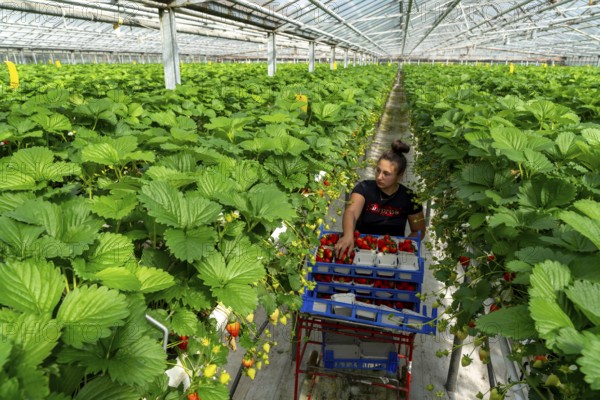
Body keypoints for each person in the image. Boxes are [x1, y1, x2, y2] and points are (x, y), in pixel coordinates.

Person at [335, 139, 426, 258]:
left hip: (390, 253)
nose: (379, 177)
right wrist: (348, 235)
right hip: (361, 248)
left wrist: (402, 247)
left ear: (400, 176)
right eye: (378, 170)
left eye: (386, 174)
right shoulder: (364, 188)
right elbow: (351, 212)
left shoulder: (409, 198)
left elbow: (418, 231)